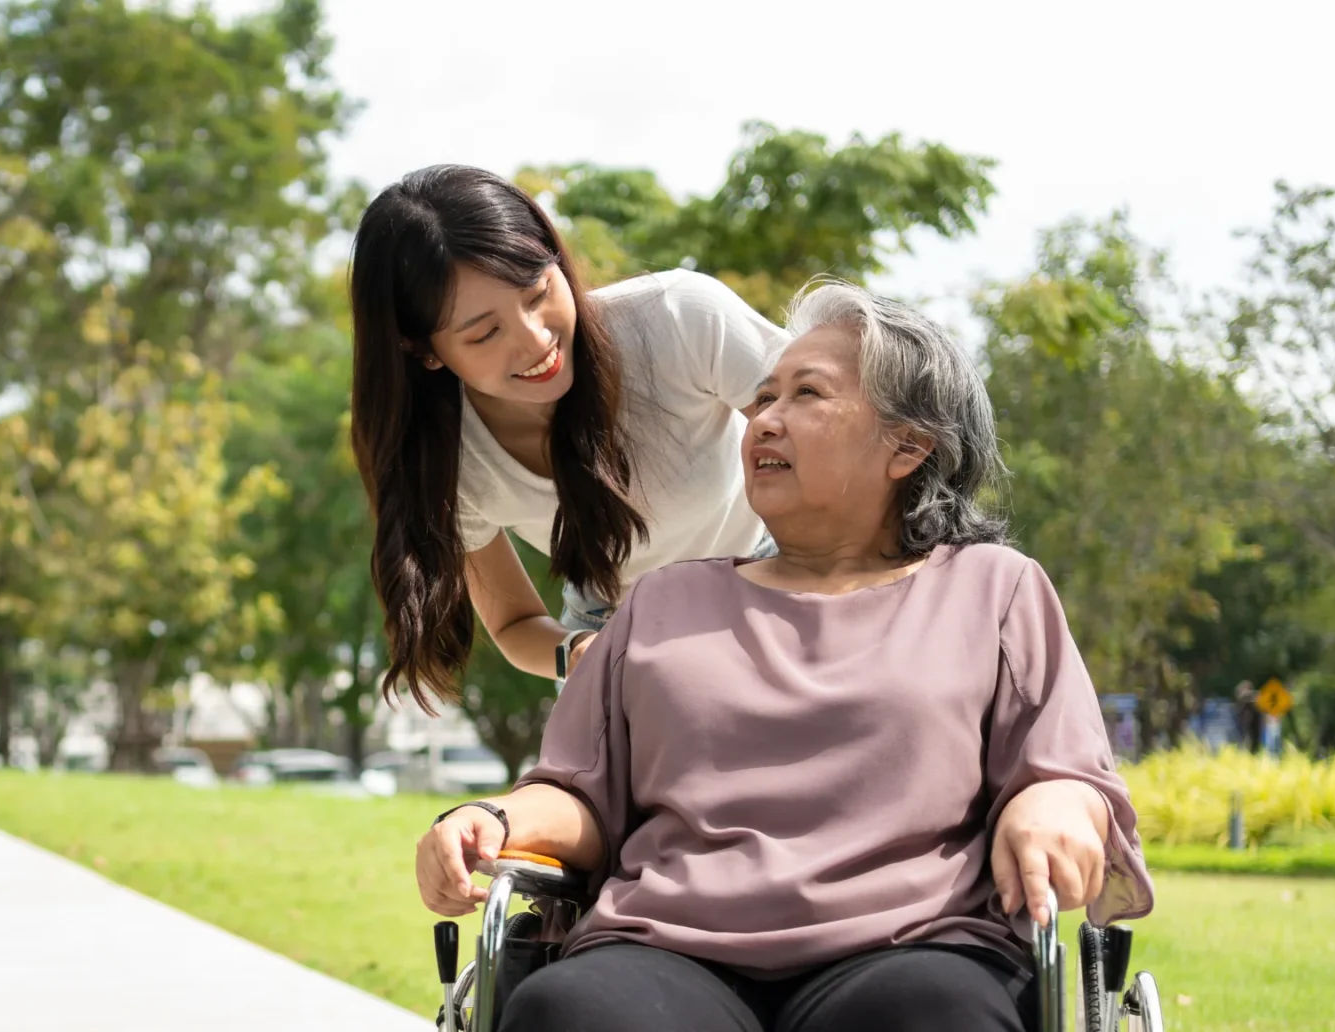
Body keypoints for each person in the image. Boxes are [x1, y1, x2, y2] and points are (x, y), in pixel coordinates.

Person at [411, 283, 1155, 1031]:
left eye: (806, 393)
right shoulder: (661, 603)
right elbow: (578, 793)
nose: (765, 417)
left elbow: (1063, 768)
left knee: (936, 1012)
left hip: (910, 945)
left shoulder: (993, 590)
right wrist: (491, 818)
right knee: (566, 1009)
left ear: (908, 445)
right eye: (763, 397)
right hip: (669, 949)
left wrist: (1051, 805)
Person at [349, 164, 788, 704]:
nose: (536, 341)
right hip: (621, 632)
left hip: (776, 568)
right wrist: (581, 652)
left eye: (538, 293)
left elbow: (832, 446)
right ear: (423, 352)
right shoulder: (446, 460)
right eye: (486, 332)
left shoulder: (679, 317)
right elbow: (514, 624)